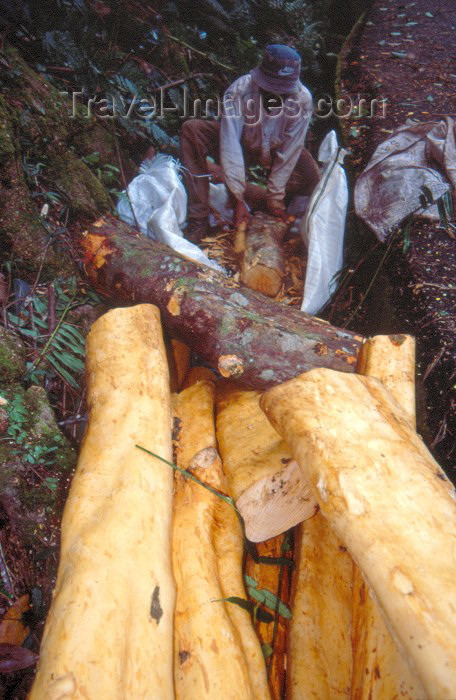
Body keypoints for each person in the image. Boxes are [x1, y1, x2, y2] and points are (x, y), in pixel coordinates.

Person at [180, 44, 320, 242]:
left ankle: (284, 217)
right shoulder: (239, 90)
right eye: (271, 91)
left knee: (313, 178)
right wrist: (238, 200)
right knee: (193, 129)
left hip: (274, 150)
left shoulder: (302, 100)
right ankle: (199, 218)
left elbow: (290, 152)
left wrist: (275, 199)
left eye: (283, 93)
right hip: (241, 143)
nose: (277, 97)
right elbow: (230, 144)